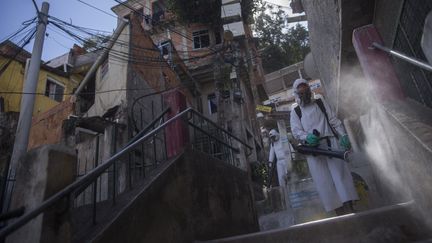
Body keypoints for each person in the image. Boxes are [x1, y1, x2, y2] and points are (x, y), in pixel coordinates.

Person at [290, 78, 358, 215]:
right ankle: (340, 215)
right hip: (313, 149)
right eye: (301, 91)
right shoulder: (295, 111)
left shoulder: (320, 101)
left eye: (306, 90)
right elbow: (296, 132)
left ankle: (351, 210)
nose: (304, 93)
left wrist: (343, 135)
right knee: (324, 182)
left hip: (330, 143)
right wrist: (307, 137)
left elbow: (333, 120)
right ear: (296, 93)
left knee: (341, 177)